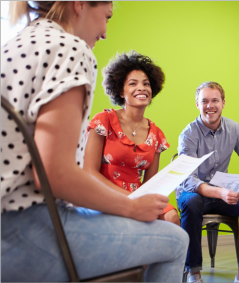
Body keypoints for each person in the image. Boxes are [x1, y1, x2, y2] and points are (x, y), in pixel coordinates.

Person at [1, 2, 188, 282]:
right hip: (26, 228)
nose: (104, 33)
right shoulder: (69, 48)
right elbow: (55, 175)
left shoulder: (16, 44)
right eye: (107, 17)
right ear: (79, 5)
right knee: (176, 241)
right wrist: (132, 206)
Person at [176, 81, 239, 283]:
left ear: (223, 102)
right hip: (194, 193)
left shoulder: (233, 128)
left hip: (221, 193)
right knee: (191, 203)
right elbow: (188, 179)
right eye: (205, 101)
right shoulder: (189, 134)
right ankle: (194, 274)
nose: (210, 106)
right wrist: (220, 193)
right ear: (197, 104)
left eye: (215, 100)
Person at [84, 51, 180, 225]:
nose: (142, 88)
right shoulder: (103, 121)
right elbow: (89, 172)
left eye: (146, 84)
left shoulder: (157, 135)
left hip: (140, 196)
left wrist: (145, 200)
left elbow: (150, 182)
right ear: (121, 91)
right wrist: (131, 199)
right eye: (133, 83)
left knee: (171, 217)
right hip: (104, 193)